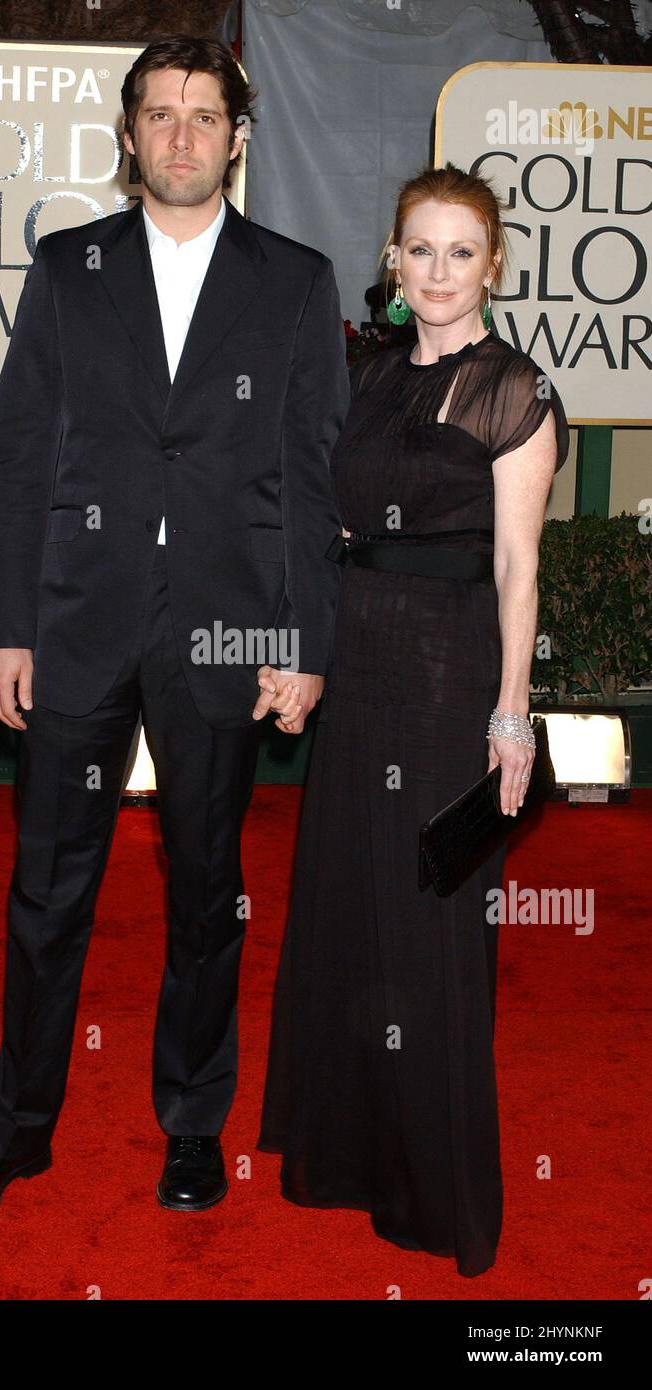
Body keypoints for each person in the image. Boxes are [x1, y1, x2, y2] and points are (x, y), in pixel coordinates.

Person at [0, 34, 349, 1223]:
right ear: (127, 135)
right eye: (160, 113)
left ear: (236, 138)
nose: (180, 134)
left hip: (226, 629)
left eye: (204, 115)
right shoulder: (70, 267)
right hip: (77, 618)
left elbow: (313, 476)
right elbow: (16, 453)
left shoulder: (294, 280)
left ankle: (193, 1125)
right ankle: (13, 1133)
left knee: (207, 889)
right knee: (46, 890)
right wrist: (6, 624)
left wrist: (304, 639)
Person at [256, 163, 570, 1277]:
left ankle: (436, 1193)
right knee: (349, 903)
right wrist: (302, 653)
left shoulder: (515, 392)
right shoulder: (370, 377)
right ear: (394, 260)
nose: (438, 272)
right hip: (360, 666)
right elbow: (326, 530)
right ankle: (346, 1157)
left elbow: (519, 566)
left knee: (431, 917)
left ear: (494, 265)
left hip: (447, 675)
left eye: (461, 252)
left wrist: (511, 716)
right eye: (420, 249)